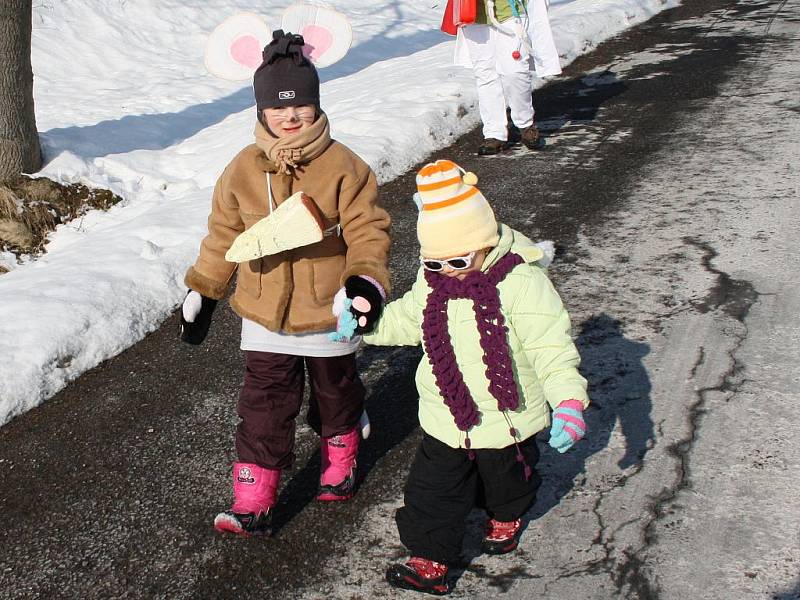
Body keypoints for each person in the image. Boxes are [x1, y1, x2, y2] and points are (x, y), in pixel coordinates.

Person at [180, 30, 391, 537]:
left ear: (316, 105)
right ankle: (252, 501)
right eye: (278, 106)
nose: (290, 116)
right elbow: (223, 235)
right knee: (263, 405)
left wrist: (364, 283)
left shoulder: (345, 166)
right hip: (263, 312)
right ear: (261, 110)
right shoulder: (242, 170)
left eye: (300, 104)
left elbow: (368, 230)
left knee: (335, 394)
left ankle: (339, 462)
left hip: (327, 311)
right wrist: (204, 291)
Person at [358, 159, 588, 594]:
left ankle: (507, 512)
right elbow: (410, 320)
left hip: (506, 419)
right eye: (436, 263)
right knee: (431, 491)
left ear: (484, 243)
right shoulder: (435, 282)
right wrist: (368, 325)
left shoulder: (522, 282)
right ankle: (429, 558)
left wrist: (569, 401)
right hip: (446, 414)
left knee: (505, 482)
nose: (449, 272)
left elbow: (550, 348)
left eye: (459, 260)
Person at [448, 0, 562, 155]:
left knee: (515, 73)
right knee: (485, 76)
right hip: (475, 14)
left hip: (510, 12)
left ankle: (525, 123)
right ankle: (494, 133)